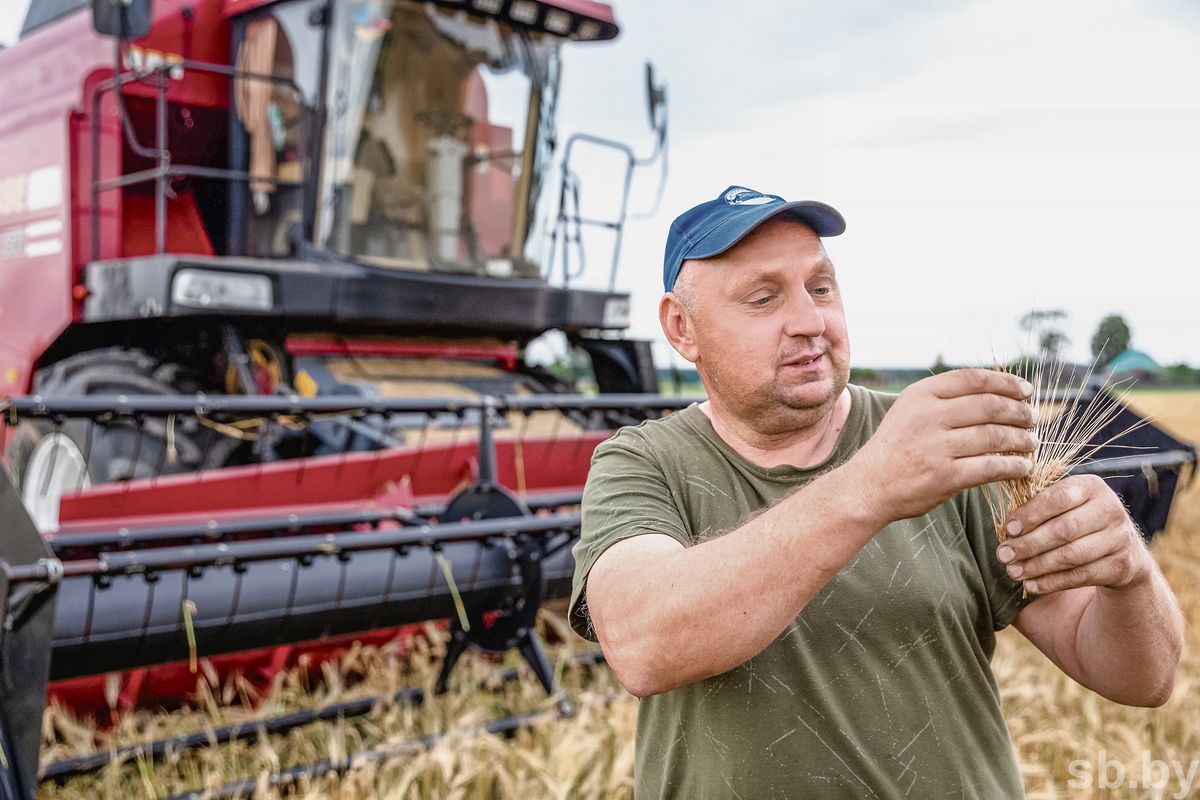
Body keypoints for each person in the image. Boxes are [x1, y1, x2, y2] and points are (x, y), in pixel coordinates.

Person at [568, 185, 1184, 799]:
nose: (810, 321)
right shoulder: (643, 462)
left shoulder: (948, 444)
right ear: (682, 327)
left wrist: (1129, 575)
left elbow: (1142, 678)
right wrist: (873, 485)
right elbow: (644, 645)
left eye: (820, 287)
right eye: (763, 298)